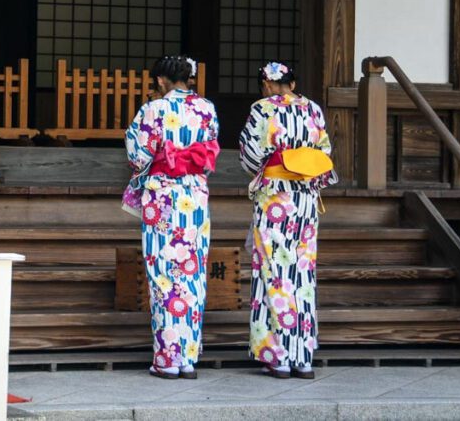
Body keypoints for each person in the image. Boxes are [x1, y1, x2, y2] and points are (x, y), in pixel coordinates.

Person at [239, 61, 336, 379]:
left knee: (274, 271)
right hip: (305, 200)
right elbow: (324, 152)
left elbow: (250, 155)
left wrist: (273, 164)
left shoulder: (262, 109)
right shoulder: (313, 110)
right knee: (302, 273)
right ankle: (303, 357)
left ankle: (279, 357)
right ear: (292, 84)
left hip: (275, 200)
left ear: (266, 85)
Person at [125, 56, 220, 380]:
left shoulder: (152, 110)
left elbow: (137, 155)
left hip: (163, 200)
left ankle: (168, 359)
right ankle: (188, 358)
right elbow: (209, 153)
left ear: (162, 81)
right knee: (191, 273)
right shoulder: (206, 109)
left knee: (164, 273)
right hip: (194, 198)